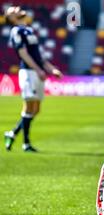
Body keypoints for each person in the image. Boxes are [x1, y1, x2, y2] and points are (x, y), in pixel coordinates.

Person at [4, 6, 63, 152]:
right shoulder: (16, 31)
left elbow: (39, 56)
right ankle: (26, 144)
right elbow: (23, 53)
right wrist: (37, 69)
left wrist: (51, 69)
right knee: (29, 107)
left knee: (36, 109)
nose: (17, 8)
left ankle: (12, 133)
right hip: (28, 73)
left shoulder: (29, 30)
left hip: (37, 72)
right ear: (11, 18)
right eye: (13, 10)